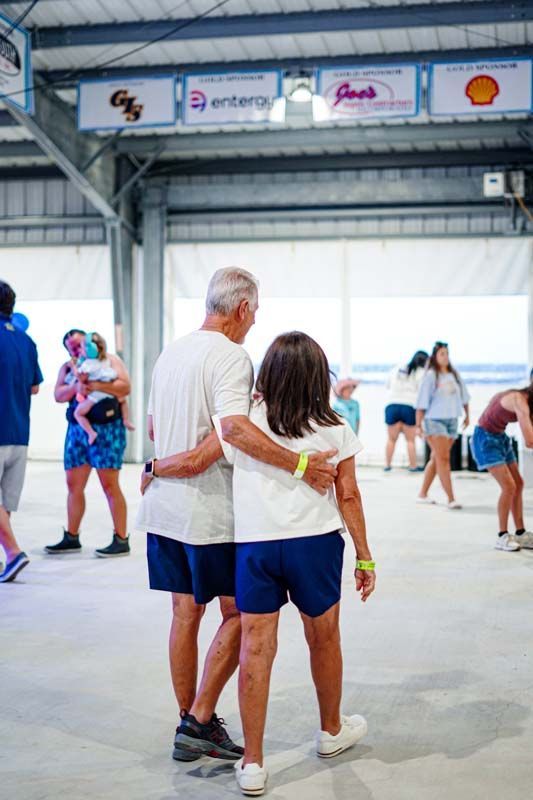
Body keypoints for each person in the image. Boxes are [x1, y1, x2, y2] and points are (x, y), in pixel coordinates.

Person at [136, 267, 338, 764]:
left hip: (164, 510)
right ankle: (198, 719)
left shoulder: (170, 353)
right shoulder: (231, 356)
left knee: (184, 615)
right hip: (211, 513)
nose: (254, 322)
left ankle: (189, 721)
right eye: (255, 311)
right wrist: (302, 465)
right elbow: (233, 431)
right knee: (240, 616)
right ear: (243, 308)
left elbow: (155, 429)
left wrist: (161, 466)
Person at [211, 332, 375, 796]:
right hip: (315, 546)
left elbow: (219, 455)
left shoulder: (246, 423)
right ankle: (330, 731)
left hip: (256, 547)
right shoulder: (335, 426)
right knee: (324, 639)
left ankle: (253, 762)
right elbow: (348, 494)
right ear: (318, 376)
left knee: (256, 649)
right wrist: (365, 556)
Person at [45, 328, 132, 558]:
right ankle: (72, 536)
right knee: (73, 485)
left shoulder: (110, 360)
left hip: (107, 430)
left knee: (110, 484)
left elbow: (125, 387)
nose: (76, 349)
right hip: (77, 431)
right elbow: (58, 395)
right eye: (71, 347)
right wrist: (77, 386)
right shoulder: (68, 368)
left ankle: (121, 539)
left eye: (79, 344)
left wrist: (95, 385)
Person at [0, 281, 43, 583]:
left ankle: (13, 553)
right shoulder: (26, 341)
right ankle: (8, 558)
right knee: (5, 503)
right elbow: (35, 387)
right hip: (19, 432)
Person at [470, 385, 533, 552]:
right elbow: (529, 440)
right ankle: (502, 536)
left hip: (500, 437)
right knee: (509, 486)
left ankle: (520, 533)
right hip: (485, 439)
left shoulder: (525, 399)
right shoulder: (519, 400)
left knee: (518, 484)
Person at [416, 342, 470, 509]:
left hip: (452, 421)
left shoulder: (454, 375)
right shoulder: (431, 375)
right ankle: (451, 498)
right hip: (434, 421)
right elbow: (421, 402)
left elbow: (464, 396)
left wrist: (467, 415)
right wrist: (418, 425)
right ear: (435, 356)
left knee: (437, 458)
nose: (445, 357)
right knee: (444, 459)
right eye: (442, 354)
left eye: (447, 353)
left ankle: (422, 494)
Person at [74, 332, 134, 445]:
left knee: (78, 413)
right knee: (123, 401)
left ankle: (91, 432)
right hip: (111, 394)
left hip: (96, 396)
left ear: (89, 350)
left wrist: (76, 367)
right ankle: (127, 420)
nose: (80, 351)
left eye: (81, 348)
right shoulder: (106, 361)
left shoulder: (88, 364)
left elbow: (81, 377)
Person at [384, 350, 428, 472]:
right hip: (409, 406)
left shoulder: (397, 368)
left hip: (392, 404)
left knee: (391, 439)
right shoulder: (421, 372)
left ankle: (387, 465)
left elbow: (387, 385)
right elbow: (422, 393)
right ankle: (413, 466)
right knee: (410, 440)